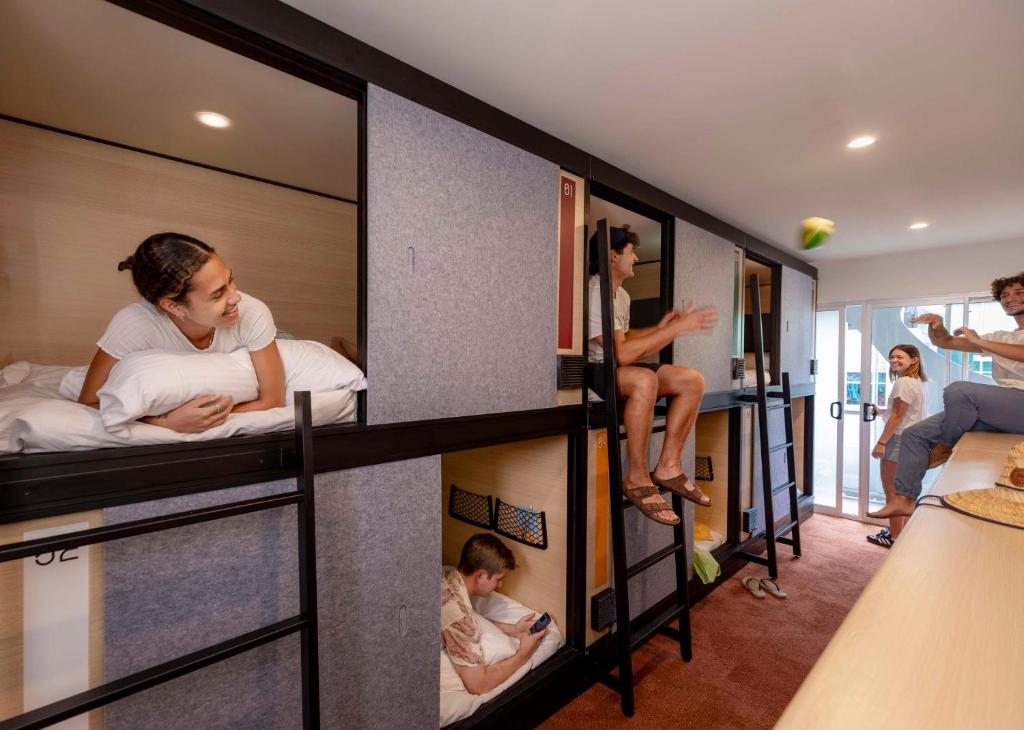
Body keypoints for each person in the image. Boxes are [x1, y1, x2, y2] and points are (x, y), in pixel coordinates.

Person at [78, 232, 286, 432]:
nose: (236, 297)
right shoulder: (134, 326)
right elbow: (89, 401)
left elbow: (273, 400)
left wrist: (210, 415)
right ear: (173, 307)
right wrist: (165, 422)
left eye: (230, 280)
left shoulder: (253, 312)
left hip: (275, 335)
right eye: (218, 294)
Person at [588, 225, 718, 525]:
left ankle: (668, 466)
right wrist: (676, 330)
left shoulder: (622, 296)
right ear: (613, 255)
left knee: (692, 380)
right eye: (631, 252)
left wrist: (661, 329)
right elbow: (620, 354)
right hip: (598, 371)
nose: (635, 258)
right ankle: (636, 476)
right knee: (646, 379)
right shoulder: (596, 291)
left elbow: (626, 336)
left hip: (619, 368)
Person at [869, 272, 1024, 519]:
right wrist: (937, 327)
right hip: (1003, 405)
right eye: (1004, 295)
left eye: (1019, 293)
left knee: (959, 390)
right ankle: (904, 499)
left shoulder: (998, 342)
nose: (1009, 299)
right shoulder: (1002, 338)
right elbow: (947, 342)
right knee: (914, 434)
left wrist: (982, 342)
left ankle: (943, 446)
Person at [441, 534, 548, 696]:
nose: (500, 586)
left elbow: (468, 617)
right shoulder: (459, 619)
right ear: (480, 576)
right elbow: (478, 685)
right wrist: (523, 654)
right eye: (499, 579)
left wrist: (513, 630)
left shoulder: (446, 572)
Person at [864, 344, 928, 546]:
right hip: (914, 441)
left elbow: (899, 416)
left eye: (900, 357)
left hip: (899, 440)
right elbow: (902, 412)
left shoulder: (904, 382)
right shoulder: (918, 382)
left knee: (893, 495)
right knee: (905, 495)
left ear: (914, 360)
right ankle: (902, 535)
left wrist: (881, 442)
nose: (894, 360)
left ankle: (894, 539)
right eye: (892, 357)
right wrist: (881, 411)